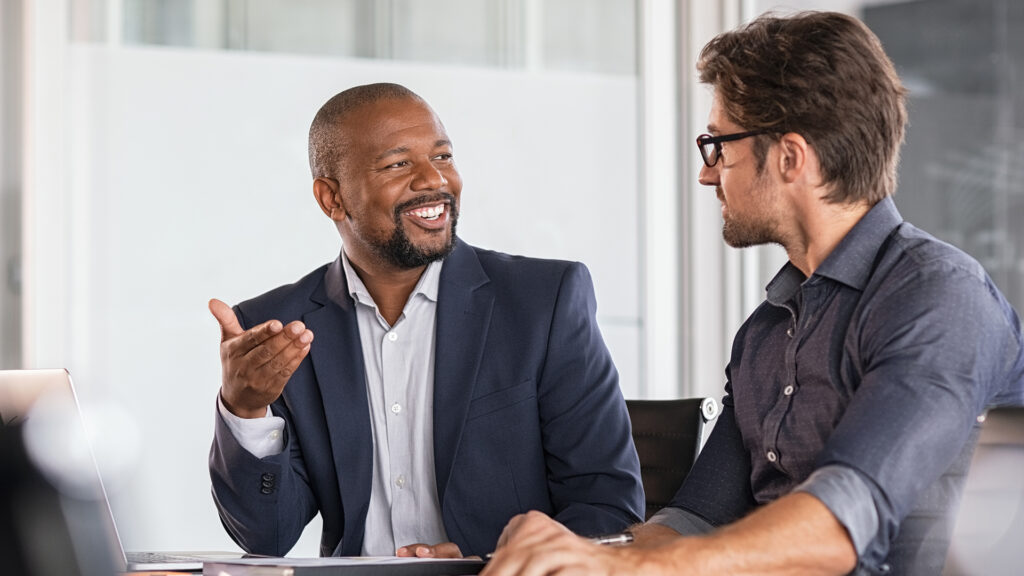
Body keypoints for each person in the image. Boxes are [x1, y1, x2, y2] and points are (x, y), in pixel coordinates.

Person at [482, 11, 1024, 576]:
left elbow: (842, 526)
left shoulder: (939, 299)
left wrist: (626, 570)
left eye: (718, 145)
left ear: (791, 157)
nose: (707, 174)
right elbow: (690, 524)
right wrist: (550, 558)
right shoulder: (765, 332)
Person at [207, 83, 643, 559]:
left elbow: (607, 508)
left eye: (443, 156)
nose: (433, 180)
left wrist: (492, 564)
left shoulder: (544, 303)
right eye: (398, 164)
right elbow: (267, 537)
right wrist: (244, 410)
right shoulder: (278, 329)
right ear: (331, 199)